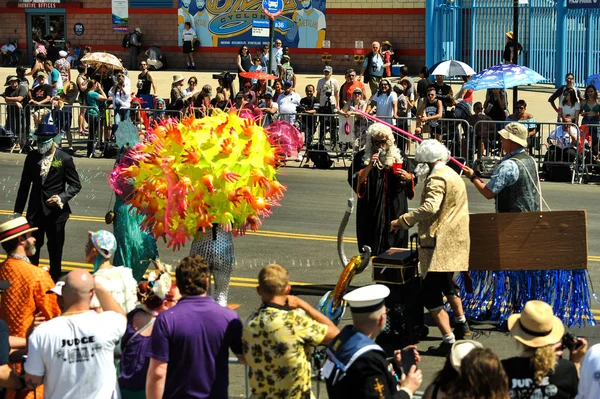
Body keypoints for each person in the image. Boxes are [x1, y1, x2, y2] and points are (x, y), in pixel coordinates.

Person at [390, 139, 470, 354]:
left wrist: (403, 220)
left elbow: (430, 207)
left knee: (430, 294)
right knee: (447, 283)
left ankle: (449, 340)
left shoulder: (436, 178)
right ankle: (462, 325)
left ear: (426, 161)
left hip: (439, 240)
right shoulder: (453, 174)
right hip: (455, 237)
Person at [146, 255, 245, 398]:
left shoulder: (166, 319)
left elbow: (158, 373)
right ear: (206, 282)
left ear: (178, 285)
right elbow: (246, 356)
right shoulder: (229, 318)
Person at [23, 269, 127, 399]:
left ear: (62, 294)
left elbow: (33, 381)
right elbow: (121, 317)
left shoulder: (41, 333)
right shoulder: (107, 323)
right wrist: (98, 287)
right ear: (92, 293)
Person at [243, 264, 339, 398]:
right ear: (288, 289)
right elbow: (335, 334)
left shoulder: (249, 323)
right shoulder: (295, 322)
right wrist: (303, 305)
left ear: (259, 290)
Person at [323, 284, 423, 399]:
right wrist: (407, 389)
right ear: (381, 319)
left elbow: (358, 381)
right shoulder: (368, 359)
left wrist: (393, 364)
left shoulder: (340, 342)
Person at [0, 217, 61, 399]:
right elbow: (55, 317)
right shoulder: (37, 275)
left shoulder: (2, 269)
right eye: (31, 236)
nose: (34, 239)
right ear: (21, 240)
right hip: (28, 364)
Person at [14, 123, 81, 282]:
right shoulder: (32, 157)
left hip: (56, 214)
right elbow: (24, 185)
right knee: (32, 249)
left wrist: (61, 198)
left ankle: (54, 281)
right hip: (35, 212)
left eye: (45, 140)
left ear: (53, 139)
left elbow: (75, 185)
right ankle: (32, 281)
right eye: (39, 140)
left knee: (55, 249)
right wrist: (18, 212)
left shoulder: (64, 158)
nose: (41, 144)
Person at [349, 123, 415, 256]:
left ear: (389, 140)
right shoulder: (362, 157)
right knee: (372, 244)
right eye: (376, 142)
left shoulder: (399, 156)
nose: (380, 145)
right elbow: (354, 179)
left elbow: (413, 175)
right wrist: (368, 167)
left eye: (383, 142)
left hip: (395, 206)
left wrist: (408, 177)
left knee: (395, 248)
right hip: (372, 208)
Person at [502, 300, 586, 399]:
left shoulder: (503, 369)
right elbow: (578, 395)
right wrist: (575, 362)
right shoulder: (566, 370)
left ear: (519, 338)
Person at [119, 271, 181, 399]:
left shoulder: (131, 316)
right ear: (165, 304)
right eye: (177, 302)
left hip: (123, 388)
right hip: (148, 391)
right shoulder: (165, 327)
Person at [85, 230, 138, 313]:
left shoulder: (96, 282)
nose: (85, 248)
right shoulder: (125, 274)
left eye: (88, 245)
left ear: (94, 251)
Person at [82, 79, 108, 156]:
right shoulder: (92, 93)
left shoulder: (87, 93)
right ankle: (90, 151)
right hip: (93, 114)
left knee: (92, 133)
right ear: (94, 85)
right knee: (92, 134)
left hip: (91, 113)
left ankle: (90, 151)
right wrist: (100, 89)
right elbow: (105, 97)